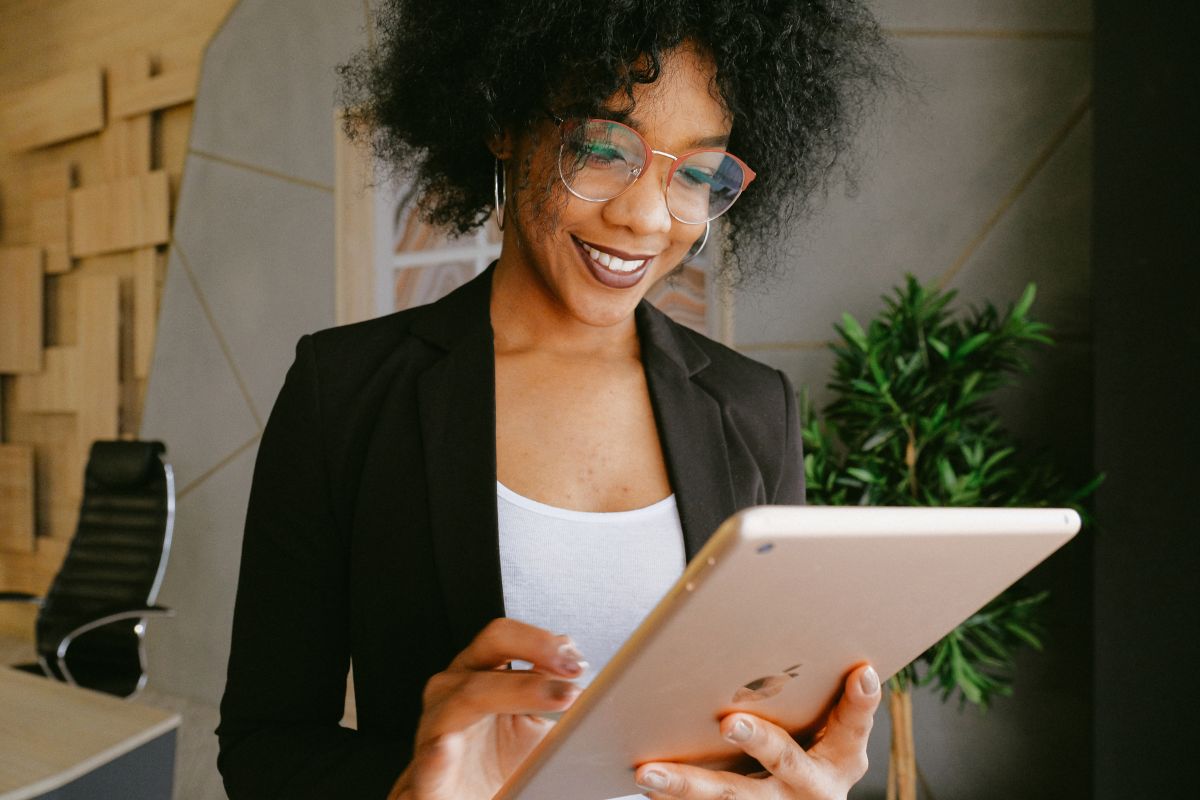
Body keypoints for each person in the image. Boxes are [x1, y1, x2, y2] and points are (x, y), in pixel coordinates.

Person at [217, 2, 893, 798]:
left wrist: (815, 777)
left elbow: (773, 724)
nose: (645, 217)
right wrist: (411, 786)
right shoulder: (349, 392)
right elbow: (263, 747)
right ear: (503, 121)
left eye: (699, 173)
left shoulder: (753, 408)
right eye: (604, 150)